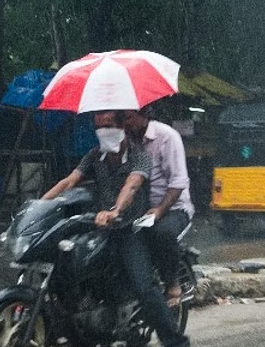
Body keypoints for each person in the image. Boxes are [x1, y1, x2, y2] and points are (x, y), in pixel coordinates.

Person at [42, 110, 190, 347]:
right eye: (99, 127)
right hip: (99, 229)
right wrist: (39, 204)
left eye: (108, 125)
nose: (103, 131)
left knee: (145, 288)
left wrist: (115, 211)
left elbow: (131, 186)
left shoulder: (140, 156)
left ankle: (176, 342)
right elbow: (69, 181)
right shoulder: (94, 156)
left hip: (130, 229)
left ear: (123, 127)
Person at [123, 108, 195, 309]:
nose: (126, 123)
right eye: (123, 118)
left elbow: (178, 181)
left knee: (161, 232)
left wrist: (159, 211)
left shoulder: (166, 137)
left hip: (173, 208)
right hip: (137, 209)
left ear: (144, 114)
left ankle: (172, 282)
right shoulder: (125, 141)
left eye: (129, 117)